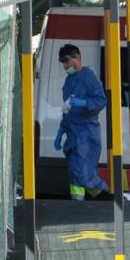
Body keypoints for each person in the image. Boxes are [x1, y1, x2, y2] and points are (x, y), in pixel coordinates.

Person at [54, 44, 109, 200]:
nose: (65, 66)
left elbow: (100, 100)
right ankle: (91, 204)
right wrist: (60, 133)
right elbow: (67, 111)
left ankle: (95, 201)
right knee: (79, 172)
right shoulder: (68, 82)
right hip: (73, 135)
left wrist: (83, 103)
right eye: (62, 62)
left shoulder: (89, 77)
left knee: (81, 171)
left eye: (66, 61)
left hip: (86, 134)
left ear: (77, 58)